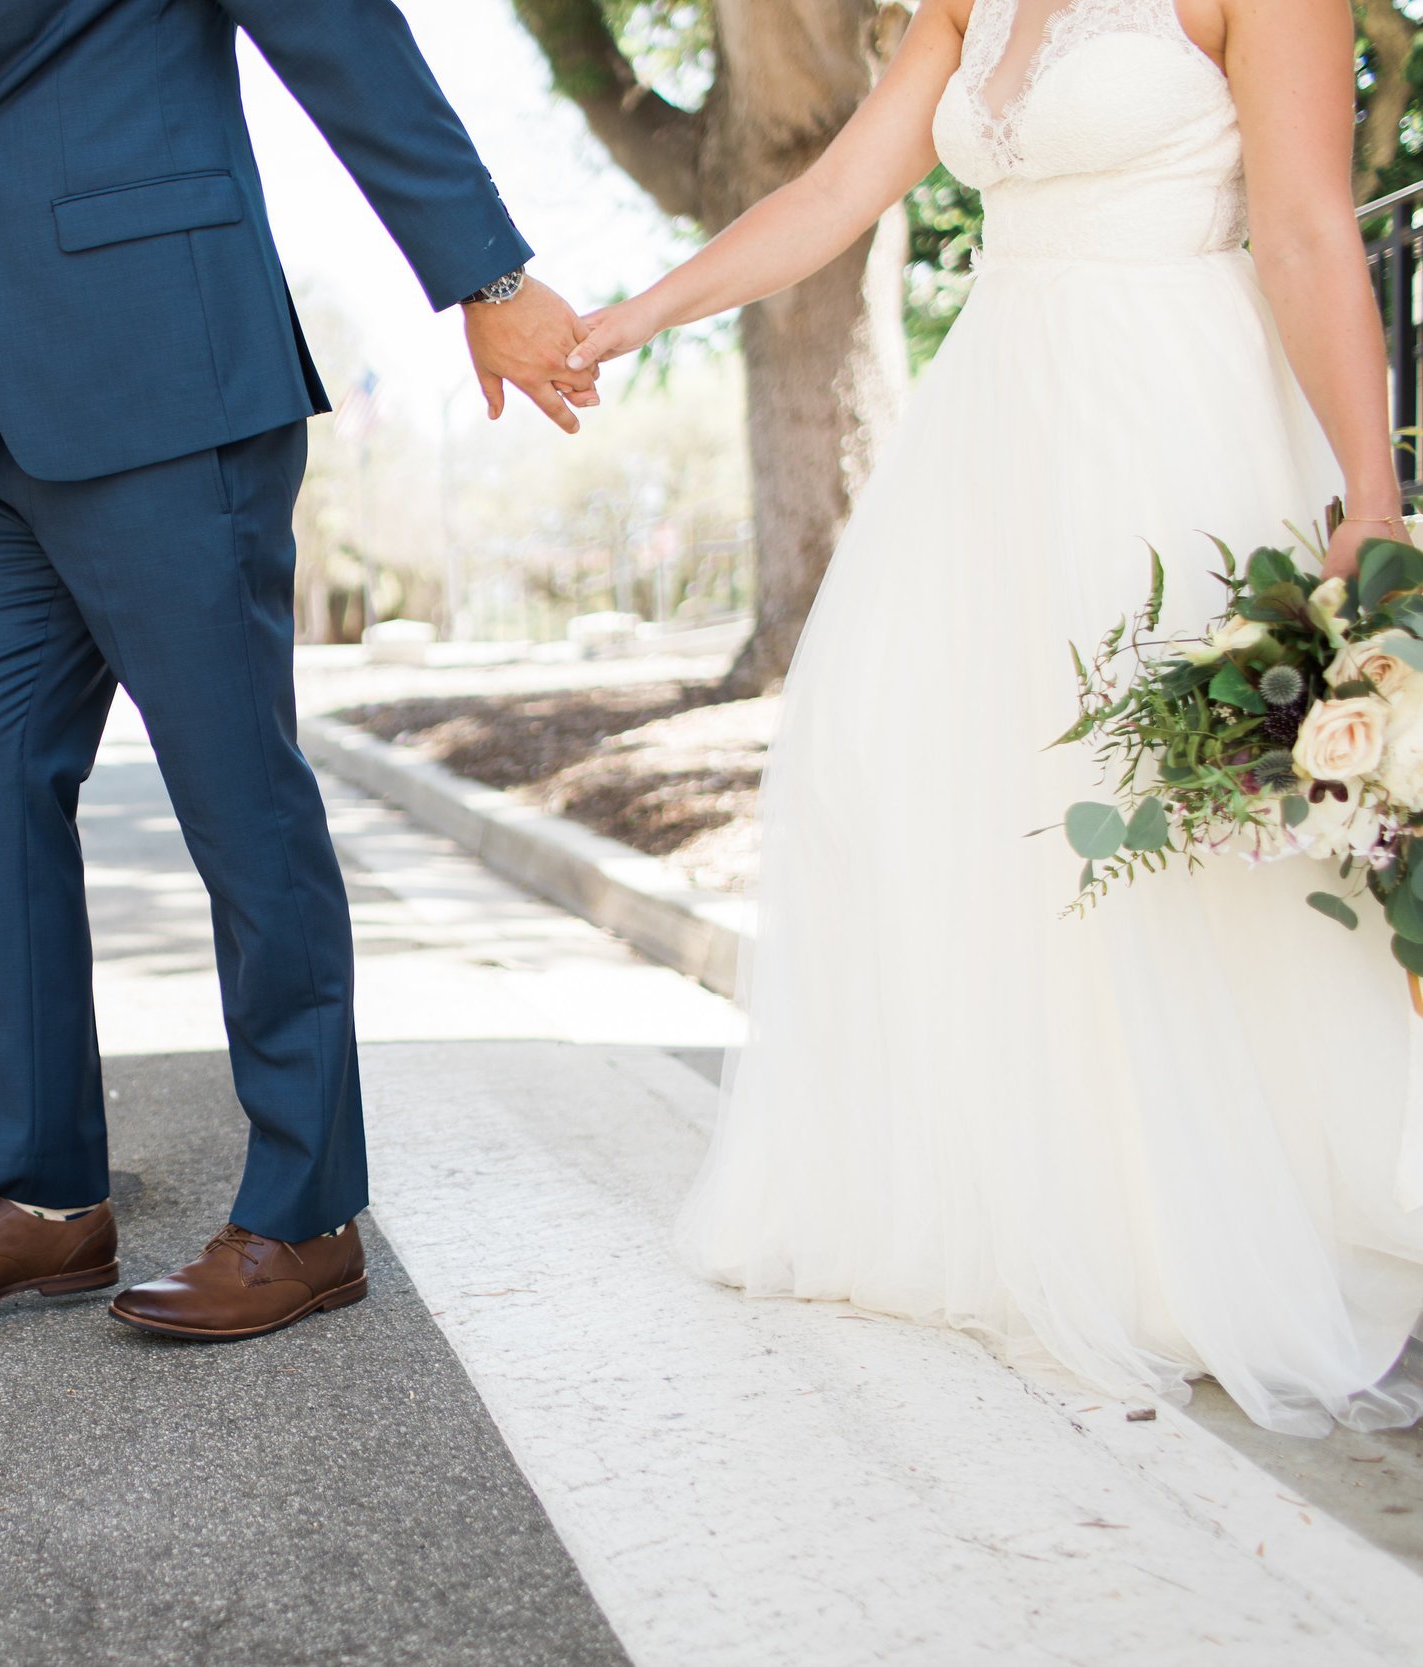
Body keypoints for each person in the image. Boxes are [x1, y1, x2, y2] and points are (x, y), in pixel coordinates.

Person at [567, 0, 1423, 1435]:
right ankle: (1035, 1207)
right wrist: (635, 316)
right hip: (992, 438)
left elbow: (1306, 227)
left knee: (1172, 831)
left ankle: (1206, 1231)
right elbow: (838, 190)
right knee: (913, 778)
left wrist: (1373, 503)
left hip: (1176, 420)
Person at [0, 0, 594, 1341]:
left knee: (240, 803)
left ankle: (306, 1218)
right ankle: (37, 1198)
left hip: (171, 384)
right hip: (6, 420)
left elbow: (340, 34)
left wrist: (488, 276)